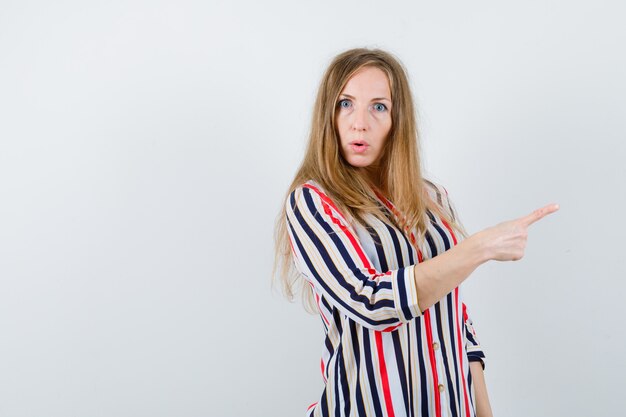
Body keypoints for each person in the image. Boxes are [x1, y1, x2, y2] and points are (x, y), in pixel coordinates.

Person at [273, 48, 558, 417]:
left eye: (378, 107)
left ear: (397, 120)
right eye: (346, 104)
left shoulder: (432, 197)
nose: (360, 123)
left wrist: (484, 411)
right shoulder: (312, 202)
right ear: (327, 115)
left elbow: (456, 316)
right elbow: (371, 302)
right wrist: (478, 248)